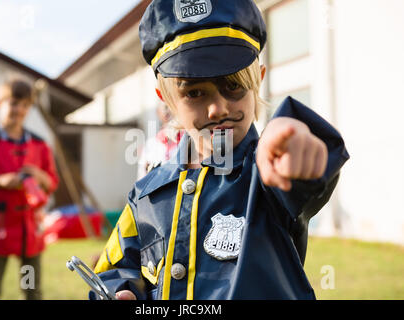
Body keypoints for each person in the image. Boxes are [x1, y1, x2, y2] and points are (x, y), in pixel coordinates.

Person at [92, 0, 349, 300]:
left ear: (258, 81)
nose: (217, 108)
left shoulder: (268, 176)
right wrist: (120, 291)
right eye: (195, 92)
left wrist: (287, 134)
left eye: (233, 86)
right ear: (167, 98)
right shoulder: (145, 194)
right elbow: (116, 269)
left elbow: (310, 172)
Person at [0, 75, 59, 300]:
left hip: (29, 230)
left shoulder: (39, 145)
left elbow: (52, 182)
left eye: (25, 105)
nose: (19, 110)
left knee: (32, 291)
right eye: (14, 103)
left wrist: (39, 175)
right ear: (0, 104)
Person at [137, 103, 183, 179]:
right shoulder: (151, 144)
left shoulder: (188, 141)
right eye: (165, 107)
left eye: (170, 106)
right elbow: (141, 177)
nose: (167, 111)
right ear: (158, 112)